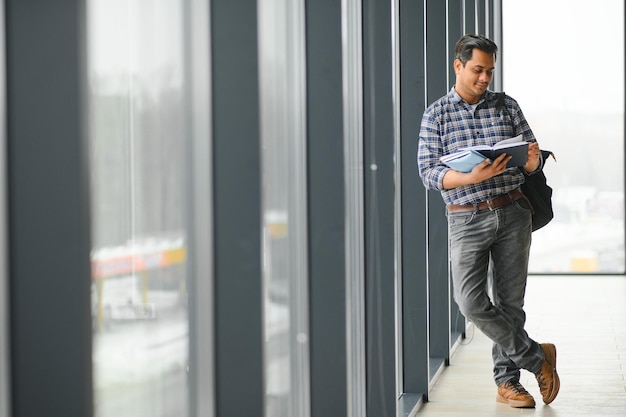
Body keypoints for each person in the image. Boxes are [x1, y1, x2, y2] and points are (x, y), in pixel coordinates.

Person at [417, 34, 560, 408]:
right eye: (478, 70)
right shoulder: (436, 114)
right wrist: (470, 178)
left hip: (513, 211)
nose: (484, 78)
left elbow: (532, 155)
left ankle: (508, 383)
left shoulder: (506, 106)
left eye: (490, 71)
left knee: (510, 304)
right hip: (466, 219)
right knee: (470, 302)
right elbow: (428, 173)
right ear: (458, 66)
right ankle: (536, 358)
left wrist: (531, 161)